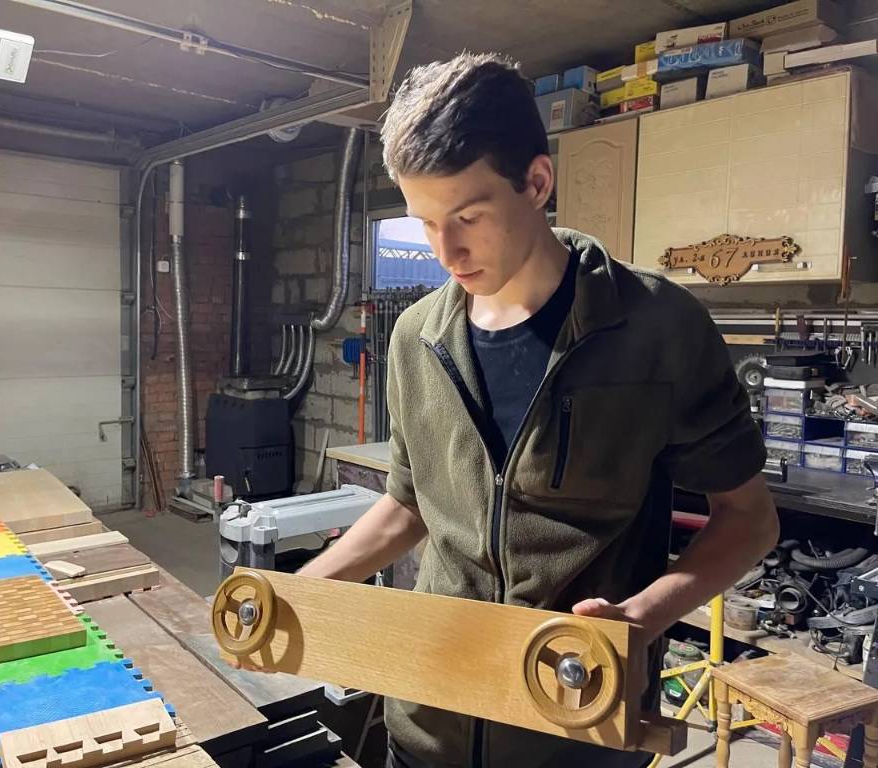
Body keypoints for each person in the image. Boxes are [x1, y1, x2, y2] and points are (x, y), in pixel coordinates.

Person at [296, 52, 780, 767]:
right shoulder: (416, 338)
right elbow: (409, 503)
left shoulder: (657, 327)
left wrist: (638, 620)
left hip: (573, 729)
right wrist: (310, 585)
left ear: (537, 183)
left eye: (468, 216)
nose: (447, 251)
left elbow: (750, 519)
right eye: (425, 223)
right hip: (430, 723)